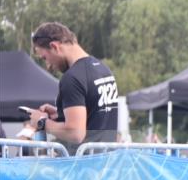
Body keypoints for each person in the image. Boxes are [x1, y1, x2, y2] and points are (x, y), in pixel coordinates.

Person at [27, 22, 119, 154]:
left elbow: (75, 133)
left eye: (45, 58)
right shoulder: (103, 69)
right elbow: (97, 115)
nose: (48, 66)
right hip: (107, 160)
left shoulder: (72, 78)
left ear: (54, 46)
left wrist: (42, 122)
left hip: (83, 163)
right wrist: (60, 113)